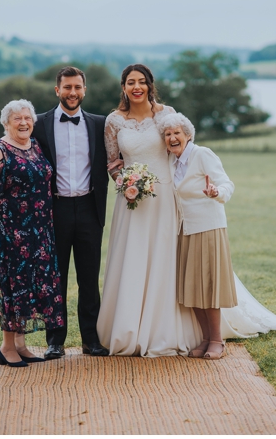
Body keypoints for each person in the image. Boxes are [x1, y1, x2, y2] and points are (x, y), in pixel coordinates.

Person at [97, 64, 202, 356]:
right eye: (131, 82)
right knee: (132, 257)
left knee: (164, 258)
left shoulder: (166, 114)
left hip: (165, 197)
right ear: (123, 87)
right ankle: (128, 326)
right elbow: (113, 163)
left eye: (142, 82)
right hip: (131, 201)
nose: (136, 87)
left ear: (150, 85)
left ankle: (164, 328)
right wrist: (127, 183)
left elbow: (182, 147)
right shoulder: (114, 121)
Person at [30, 66, 111, 359]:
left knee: (89, 279)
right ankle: (55, 341)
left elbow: (115, 159)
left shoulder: (100, 124)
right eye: (67, 87)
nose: (72, 93)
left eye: (77, 87)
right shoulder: (38, 124)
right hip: (55, 210)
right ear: (57, 90)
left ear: (84, 90)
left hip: (90, 208)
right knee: (56, 278)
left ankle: (91, 340)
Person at [0, 99, 65, 366]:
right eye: (17, 119)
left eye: (27, 118)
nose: (24, 122)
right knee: (13, 288)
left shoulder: (34, 146)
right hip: (10, 233)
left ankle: (21, 344)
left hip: (39, 233)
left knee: (31, 288)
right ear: (7, 123)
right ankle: (6, 347)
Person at [161, 112, 238, 360]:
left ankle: (217, 340)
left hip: (208, 227)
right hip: (184, 229)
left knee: (208, 286)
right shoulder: (172, 161)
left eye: (176, 133)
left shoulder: (202, 154)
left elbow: (227, 184)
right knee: (192, 287)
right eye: (167, 134)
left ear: (188, 135)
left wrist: (216, 191)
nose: (172, 138)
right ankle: (204, 339)